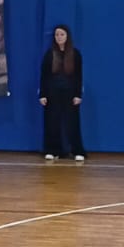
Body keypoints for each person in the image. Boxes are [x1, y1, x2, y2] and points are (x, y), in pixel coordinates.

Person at [41, 24, 85, 162]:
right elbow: (44, 76)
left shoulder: (75, 54)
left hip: (70, 94)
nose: (59, 37)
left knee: (72, 123)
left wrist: (78, 95)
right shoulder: (49, 54)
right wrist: (42, 95)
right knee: (52, 123)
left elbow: (78, 76)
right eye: (57, 35)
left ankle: (77, 151)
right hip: (52, 93)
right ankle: (53, 151)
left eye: (62, 34)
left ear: (67, 36)